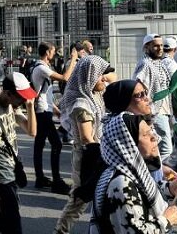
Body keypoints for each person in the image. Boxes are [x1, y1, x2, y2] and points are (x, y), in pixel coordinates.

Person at [90, 114, 177, 233]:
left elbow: (142, 191)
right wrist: (166, 220)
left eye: (151, 132)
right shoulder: (121, 183)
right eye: (145, 135)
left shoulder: (132, 172)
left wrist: (169, 188)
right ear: (127, 144)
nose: (154, 137)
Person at [54, 55, 113, 234]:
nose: (104, 78)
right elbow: (87, 137)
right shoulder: (82, 104)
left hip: (100, 153)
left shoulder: (95, 95)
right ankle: (60, 232)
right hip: (88, 157)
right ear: (89, 76)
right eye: (100, 75)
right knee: (79, 200)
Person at [0, 73, 37, 234]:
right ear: (8, 93)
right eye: (21, 98)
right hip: (0, 180)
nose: (23, 101)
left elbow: (32, 131)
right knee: (14, 228)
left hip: (11, 174)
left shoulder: (12, 106)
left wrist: (30, 107)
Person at [31, 42, 77, 194]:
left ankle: (40, 178)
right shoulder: (41, 67)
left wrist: (55, 108)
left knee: (39, 144)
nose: (54, 53)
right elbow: (65, 77)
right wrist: (73, 59)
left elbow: (44, 92)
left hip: (45, 108)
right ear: (47, 52)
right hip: (42, 111)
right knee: (56, 144)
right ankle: (56, 181)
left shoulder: (43, 67)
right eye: (53, 51)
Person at [133, 34, 174, 162]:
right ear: (147, 47)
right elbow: (138, 87)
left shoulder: (159, 63)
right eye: (156, 45)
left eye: (161, 45)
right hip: (155, 112)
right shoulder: (145, 64)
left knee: (156, 147)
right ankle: (159, 174)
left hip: (164, 110)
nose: (160, 48)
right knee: (166, 149)